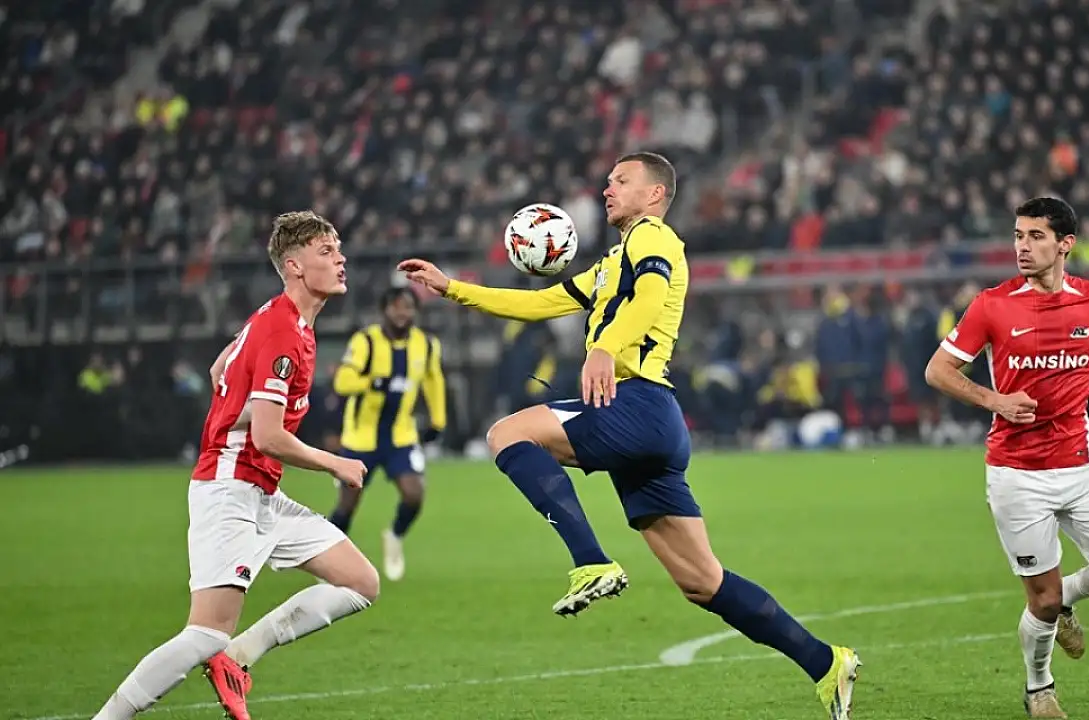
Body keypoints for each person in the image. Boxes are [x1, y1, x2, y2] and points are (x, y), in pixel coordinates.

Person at [399, 152, 862, 719]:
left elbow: (649, 299)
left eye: (621, 180)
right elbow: (539, 304)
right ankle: (825, 662)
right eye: (608, 181)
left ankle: (591, 561)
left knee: (507, 434)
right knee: (703, 582)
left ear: (655, 195)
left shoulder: (654, 238)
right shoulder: (613, 262)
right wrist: (452, 288)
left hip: (634, 402)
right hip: (655, 423)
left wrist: (603, 348)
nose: (607, 189)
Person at [91, 212, 377, 720]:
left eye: (338, 249)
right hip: (229, 490)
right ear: (294, 265)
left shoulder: (284, 320)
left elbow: (220, 368)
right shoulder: (282, 332)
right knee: (205, 633)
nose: (341, 259)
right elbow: (268, 437)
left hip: (262, 492)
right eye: (327, 251)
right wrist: (335, 463)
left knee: (360, 582)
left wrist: (233, 408)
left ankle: (238, 659)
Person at [924, 197, 1089, 719]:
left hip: (1080, 467)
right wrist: (995, 400)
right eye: (1018, 235)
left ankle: (1069, 593)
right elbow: (938, 370)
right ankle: (1039, 689)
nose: (1022, 247)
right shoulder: (993, 305)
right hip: (1017, 476)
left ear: (1066, 244)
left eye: (1035, 236)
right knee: (1041, 603)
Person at [328, 286, 447, 581]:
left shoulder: (426, 344)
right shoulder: (366, 341)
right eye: (396, 306)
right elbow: (342, 381)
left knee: (414, 495)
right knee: (347, 505)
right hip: (360, 438)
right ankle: (327, 560)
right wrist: (371, 383)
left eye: (408, 307)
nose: (402, 313)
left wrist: (437, 421)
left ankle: (394, 536)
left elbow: (433, 380)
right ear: (384, 310)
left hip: (401, 437)